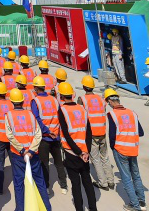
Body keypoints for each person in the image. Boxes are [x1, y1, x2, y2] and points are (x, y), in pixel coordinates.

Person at [5, 89, 51, 211]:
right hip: (33, 155)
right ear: (22, 101)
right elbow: (38, 134)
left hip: (18, 156)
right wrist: (31, 151)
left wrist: (22, 151)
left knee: (19, 184)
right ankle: (46, 208)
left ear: (11, 102)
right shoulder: (30, 114)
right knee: (40, 182)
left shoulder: (9, 115)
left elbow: (10, 136)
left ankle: (20, 208)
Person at [58, 82, 97, 211]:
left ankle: (79, 208)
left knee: (75, 184)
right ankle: (93, 208)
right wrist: (86, 152)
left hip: (72, 153)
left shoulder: (62, 110)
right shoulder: (82, 109)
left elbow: (66, 134)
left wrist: (79, 152)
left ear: (61, 96)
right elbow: (89, 132)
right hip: (84, 152)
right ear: (73, 95)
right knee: (87, 182)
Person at [105, 88, 146, 211]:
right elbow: (141, 132)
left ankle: (135, 205)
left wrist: (113, 147)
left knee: (126, 178)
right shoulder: (132, 113)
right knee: (136, 175)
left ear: (110, 101)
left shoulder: (112, 114)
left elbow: (112, 135)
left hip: (120, 150)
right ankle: (142, 201)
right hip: (133, 149)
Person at [31, 77, 68, 193]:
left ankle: (46, 187)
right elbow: (60, 116)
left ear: (36, 88)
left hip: (45, 137)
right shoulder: (54, 99)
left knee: (44, 163)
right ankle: (64, 186)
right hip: (55, 136)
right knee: (59, 163)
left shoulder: (36, 101)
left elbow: (36, 119)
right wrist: (57, 133)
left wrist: (46, 131)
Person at [79, 76, 113, 191]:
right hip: (102, 131)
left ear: (84, 87)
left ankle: (103, 183)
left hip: (91, 133)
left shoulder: (82, 99)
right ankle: (110, 180)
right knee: (105, 156)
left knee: (95, 158)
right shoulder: (100, 99)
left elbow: (80, 117)